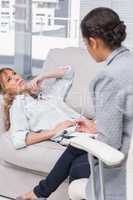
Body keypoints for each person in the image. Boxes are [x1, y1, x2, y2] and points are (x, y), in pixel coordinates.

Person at [17, 7, 133, 200]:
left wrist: (90, 135)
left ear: (93, 42)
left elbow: (110, 145)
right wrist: (95, 127)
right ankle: (39, 194)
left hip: (122, 168)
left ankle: (38, 194)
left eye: (86, 44)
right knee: (76, 155)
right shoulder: (129, 62)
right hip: (125, 151)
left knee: (76, 164)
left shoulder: (108, 78)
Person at [0, 66, 96, 150]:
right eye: (9, 79)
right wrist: (53, 132)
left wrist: (41, 76)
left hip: (90, 127)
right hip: (76, 136)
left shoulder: (46, 94)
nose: (16, 78)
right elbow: (19, 140)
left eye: (14, 74)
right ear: (5, 91)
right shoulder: (18, 104)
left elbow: (68, 72)